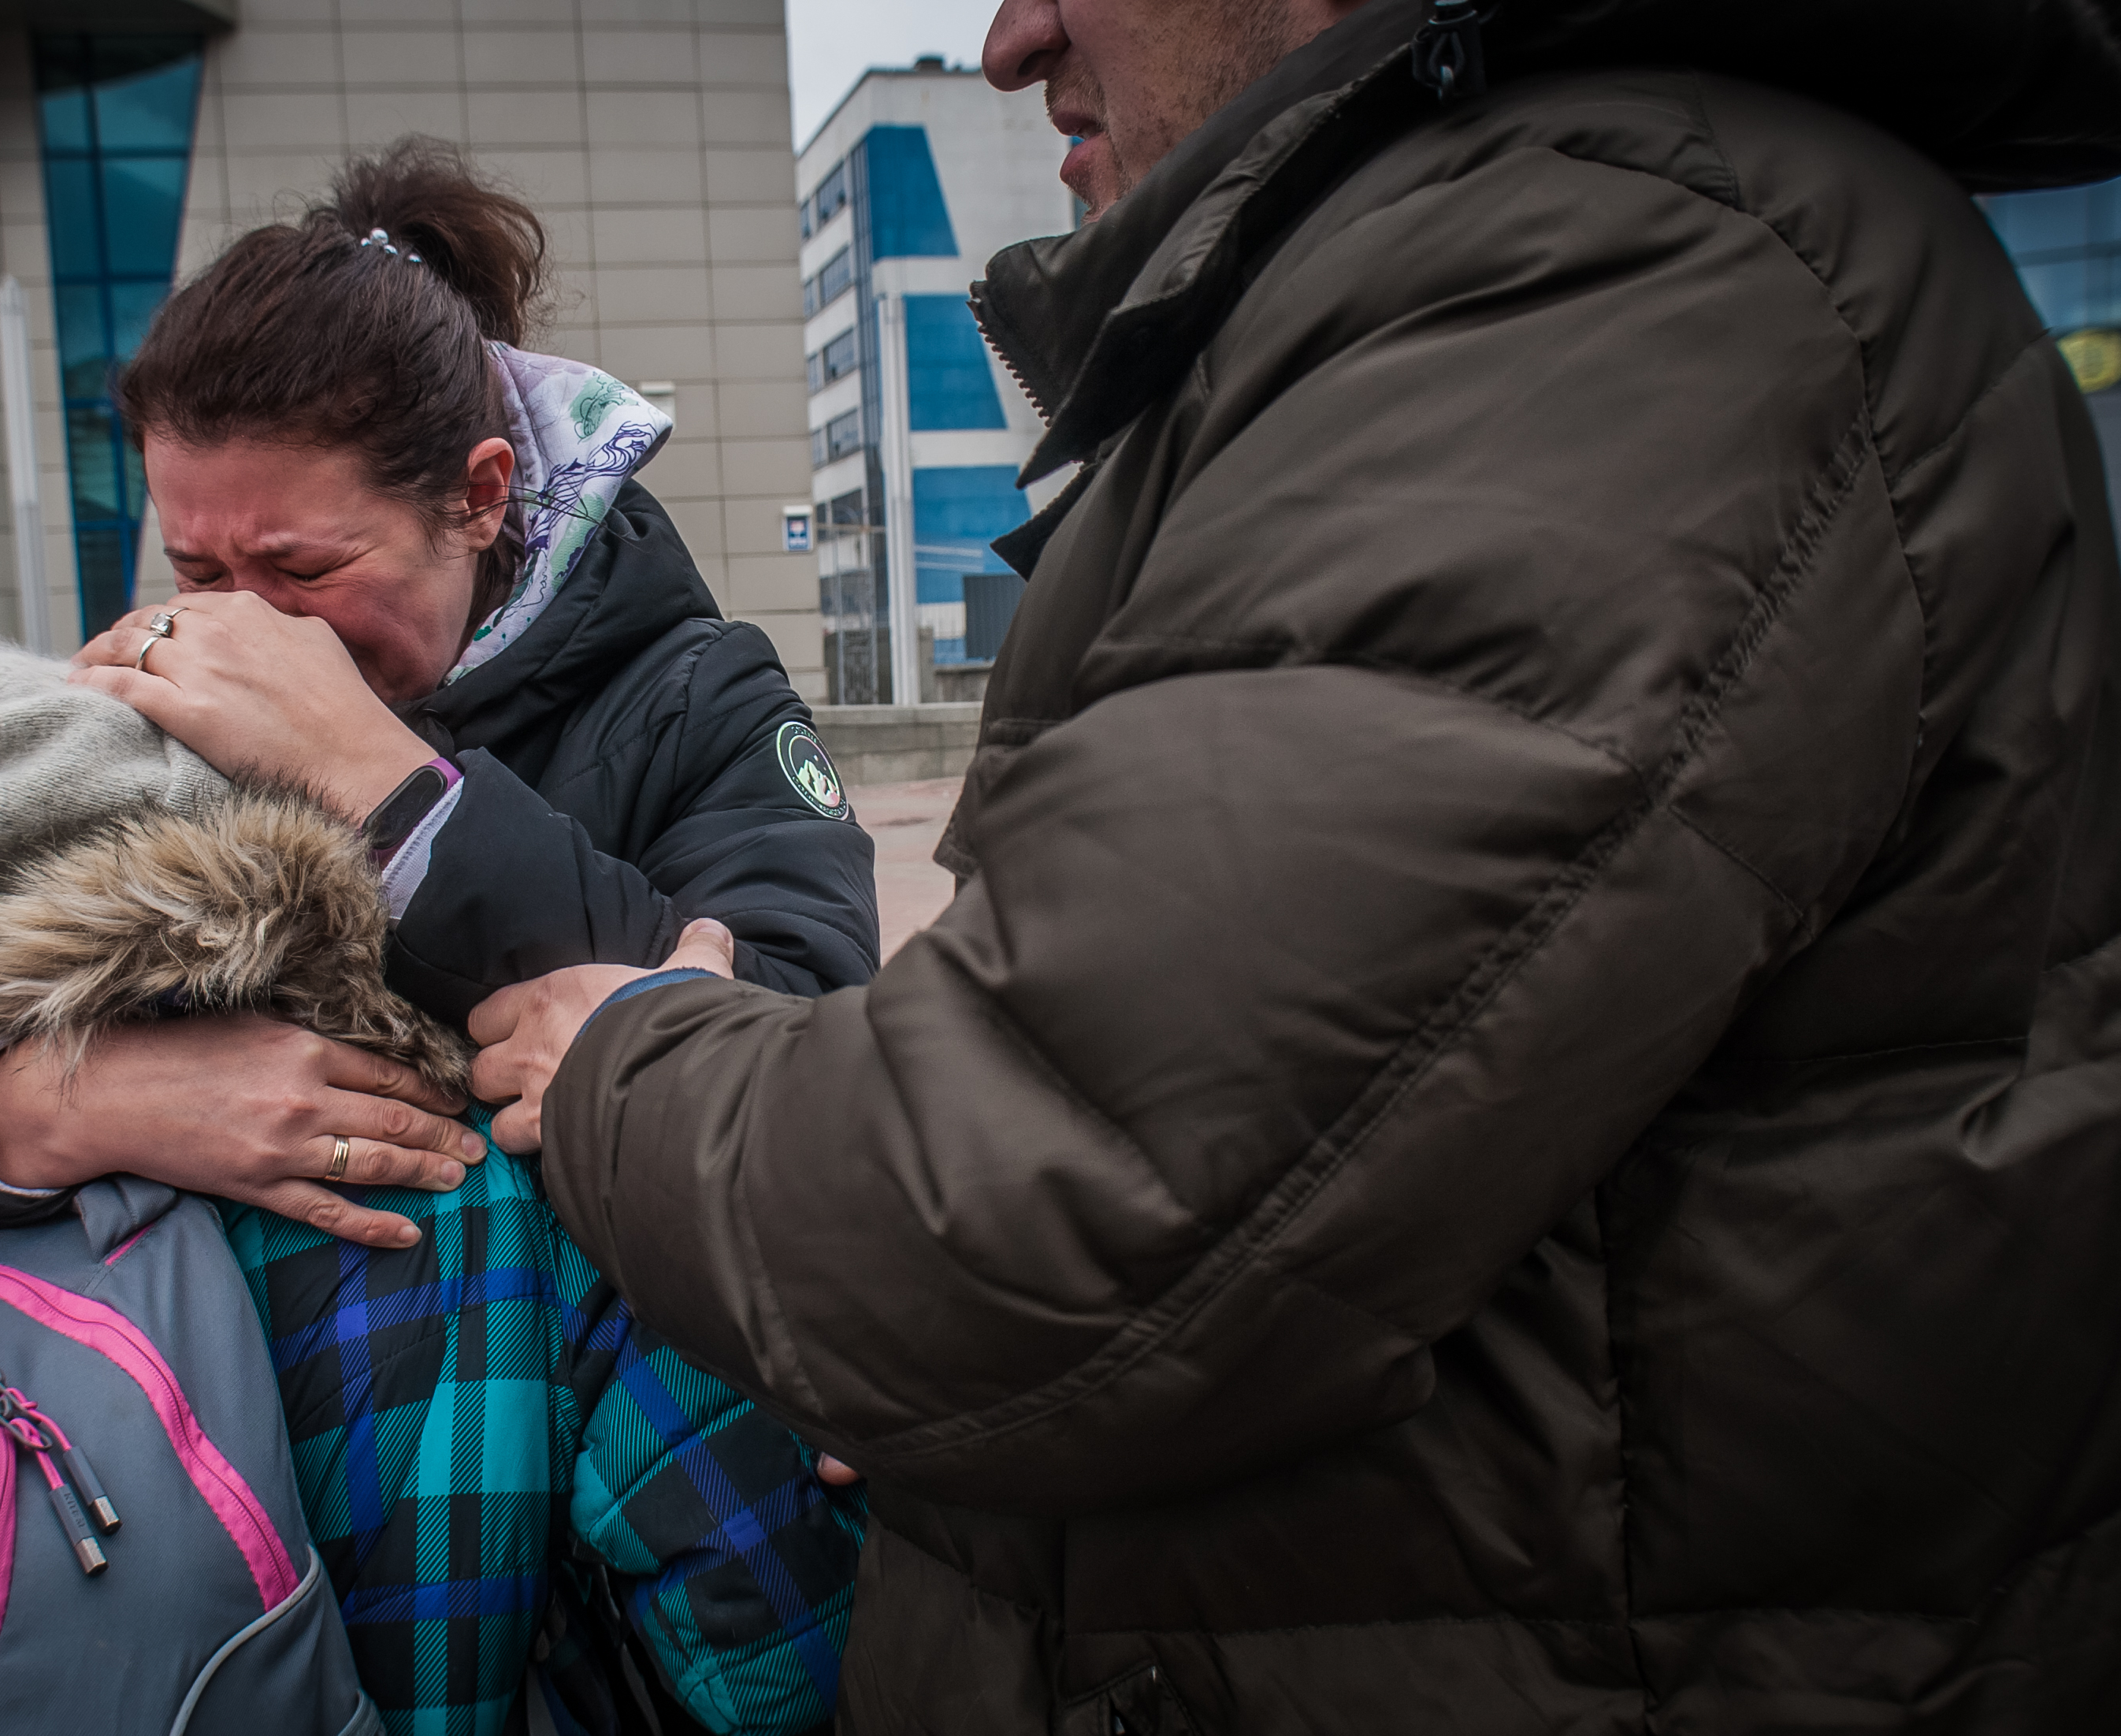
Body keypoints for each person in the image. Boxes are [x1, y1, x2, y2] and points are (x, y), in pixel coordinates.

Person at [466, 0, 2121, 1728]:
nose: (1010, 39)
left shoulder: (1593, 281)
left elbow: (1030, 1219)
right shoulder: (1508, 263)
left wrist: (626, 1055)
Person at [0, 141, 876, 1731]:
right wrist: (71, 1102)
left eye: (300, 568)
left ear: (479, 498)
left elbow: (801, 1035)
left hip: (587, 1566)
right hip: (219, 1541)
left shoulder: (693, 696)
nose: (238, 630)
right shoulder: (152, 716)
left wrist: (381, 782)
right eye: (194, 568)